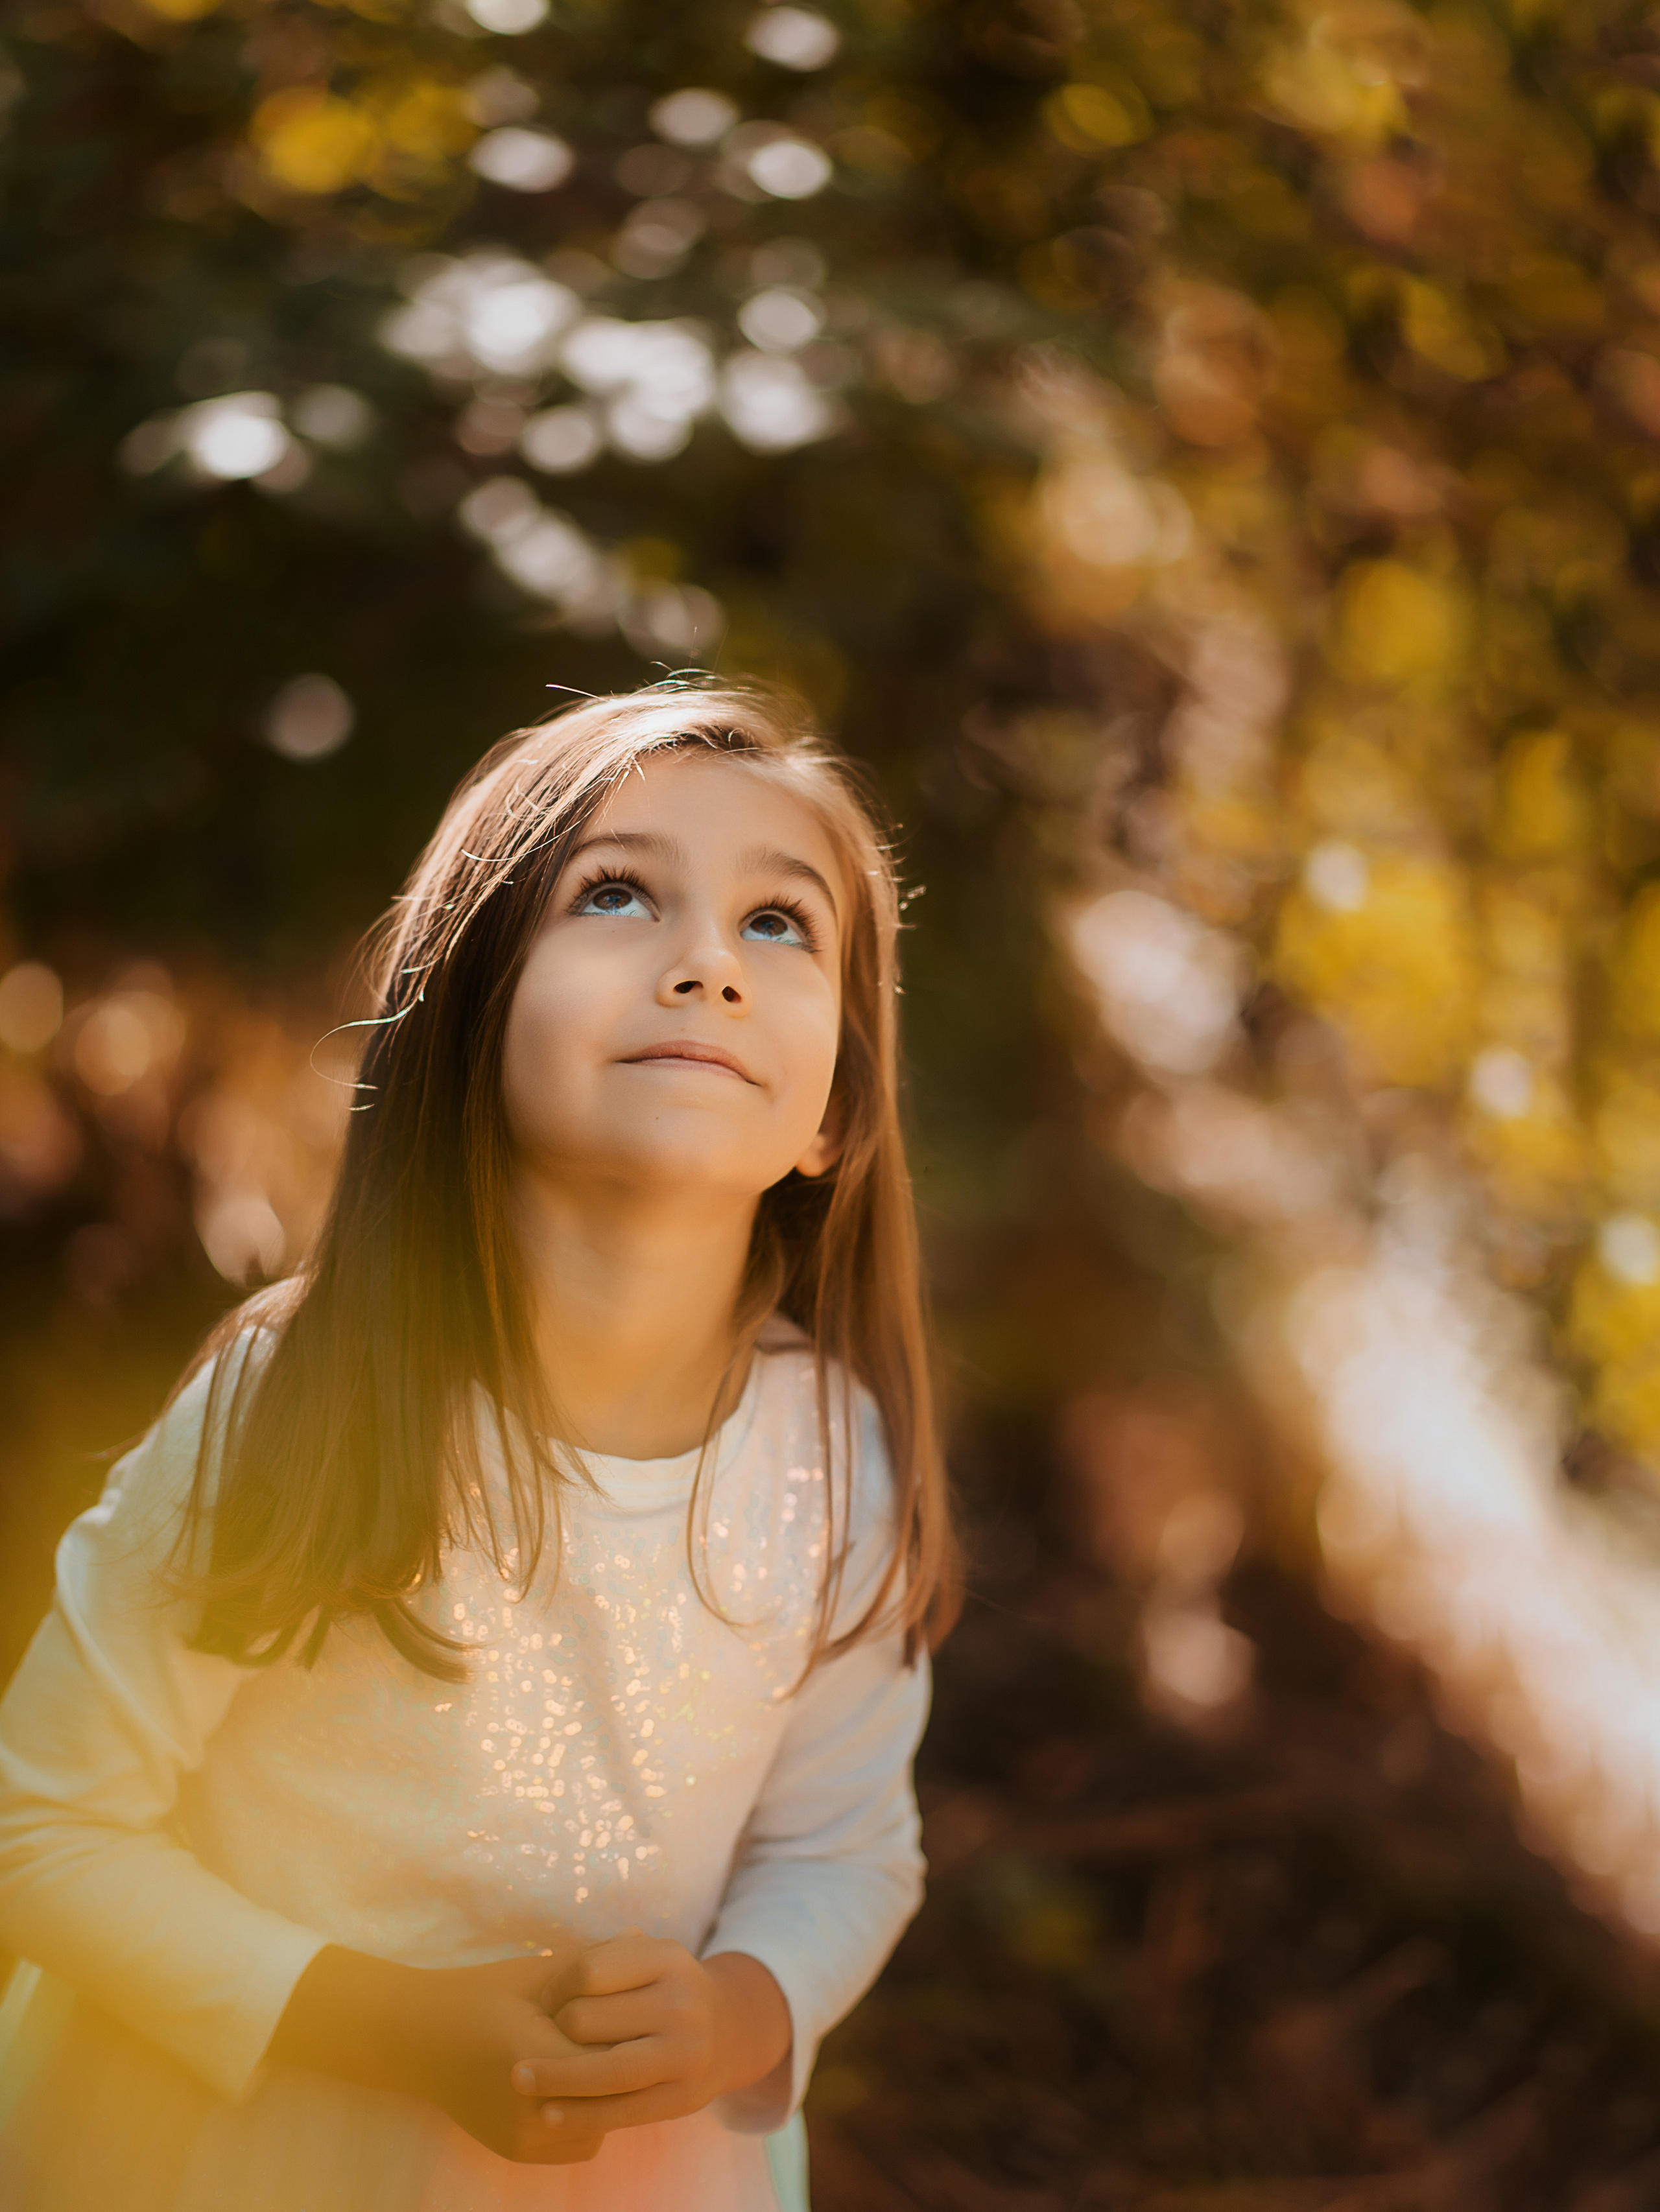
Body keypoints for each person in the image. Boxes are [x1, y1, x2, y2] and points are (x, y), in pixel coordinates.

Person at [0, 681, 959, 2212]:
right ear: (472, 1011)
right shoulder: (299, 1401)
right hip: (223, 2155)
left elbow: (846, 1851)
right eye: (620, 893)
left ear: (835, 1106)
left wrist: (741, 2008)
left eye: (779, 924)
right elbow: (38, 1819)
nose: (706, 961)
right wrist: (376, 2019)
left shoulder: (829, 1452)